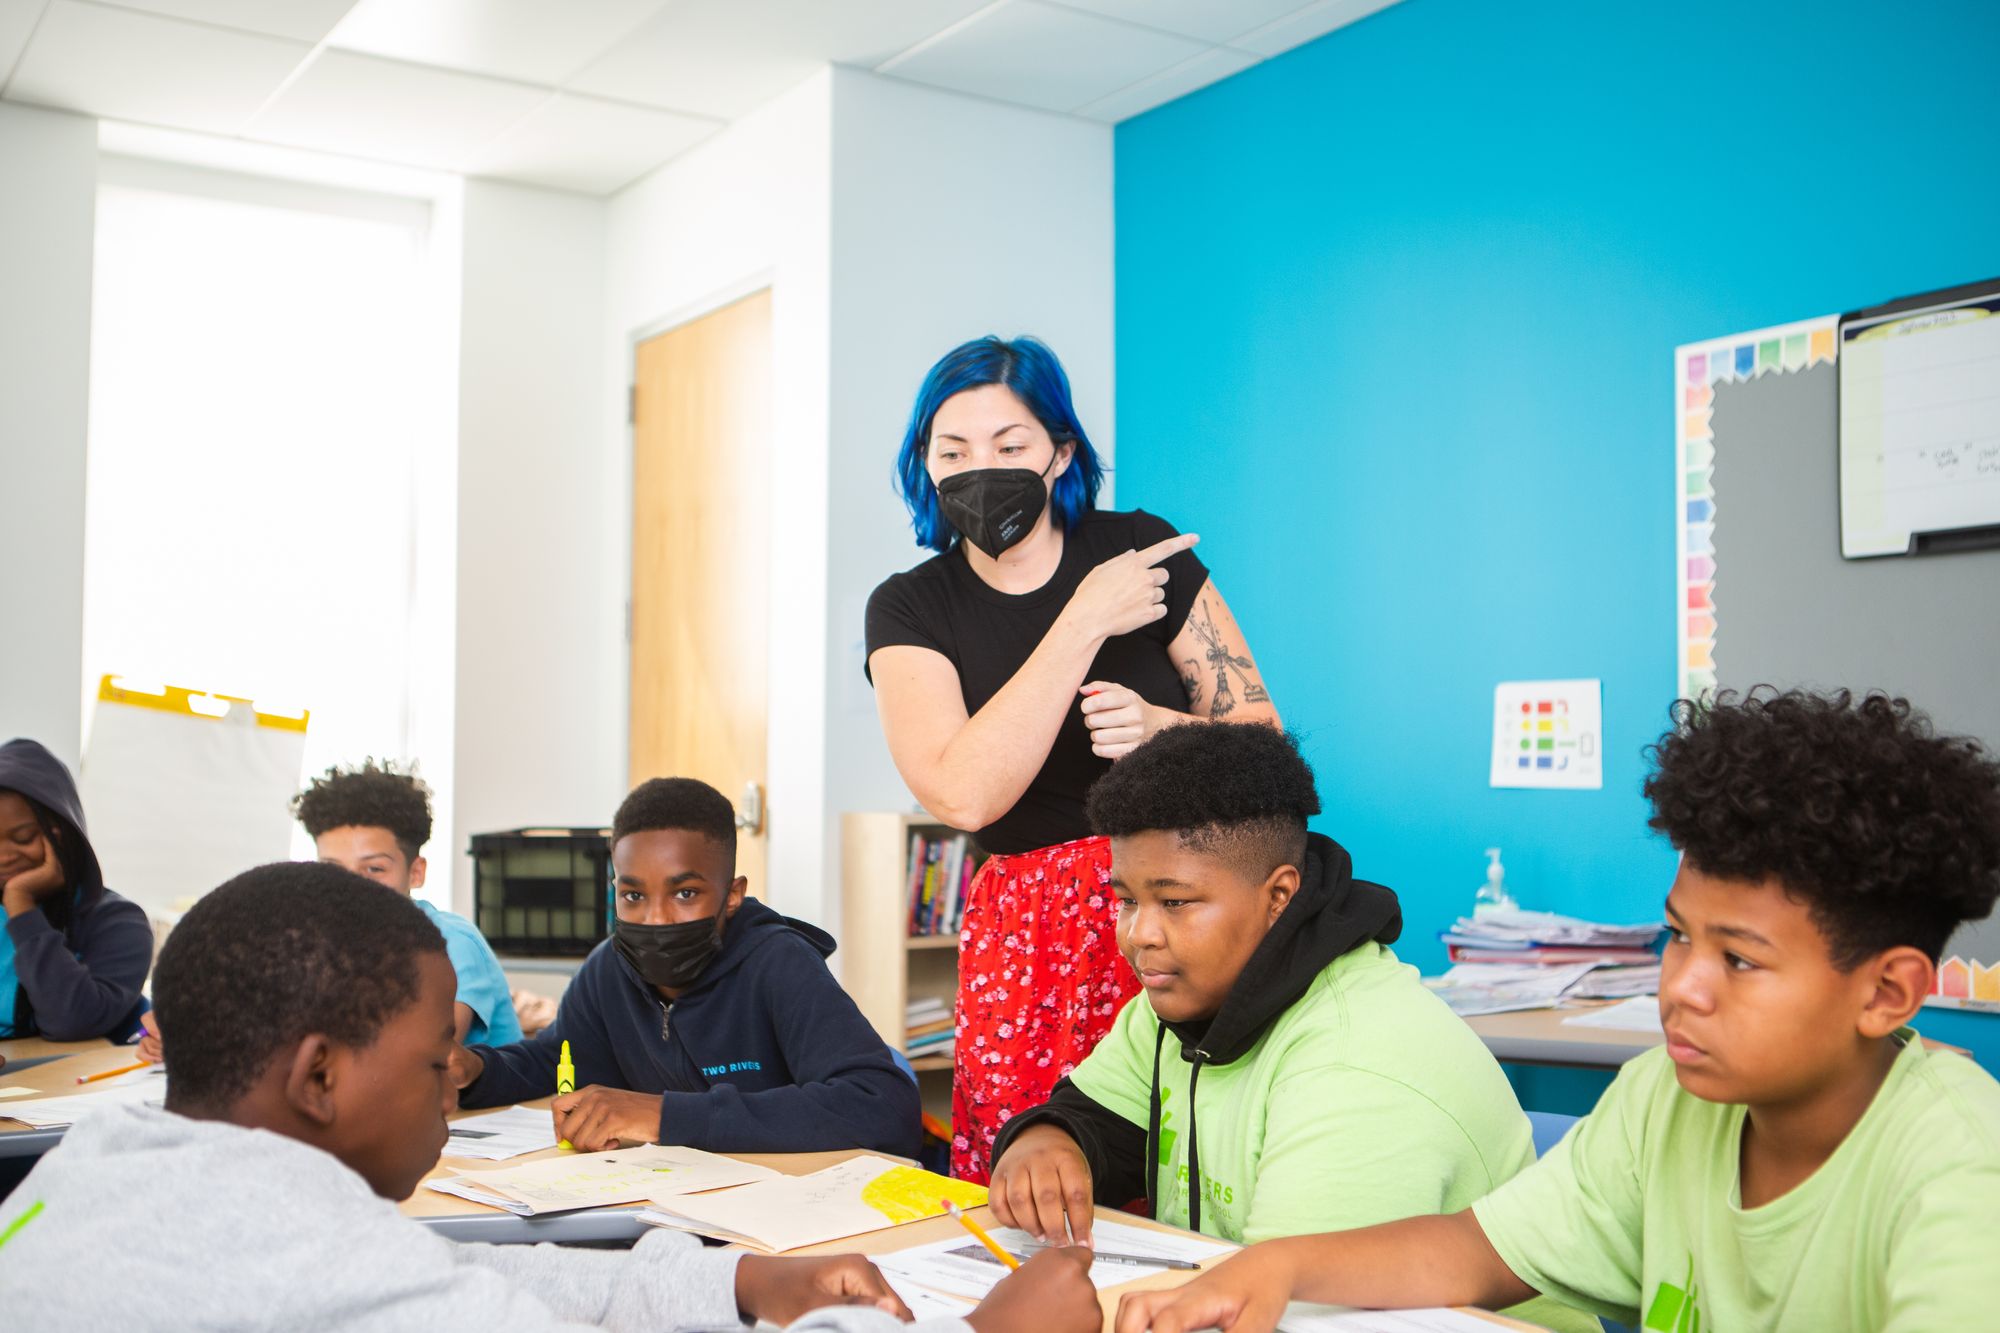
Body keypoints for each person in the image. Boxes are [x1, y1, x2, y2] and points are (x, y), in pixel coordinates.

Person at [1115, 689, 2000, 1333]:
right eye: (1679, 938)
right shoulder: (1666, 1097)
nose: (1683, 986)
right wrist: (1275, 1265)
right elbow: (1475, 1251)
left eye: (1739, 959)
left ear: (1887, 993)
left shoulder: (1955, 1171)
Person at [0, 861, 1103, 1332]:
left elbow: (467, 1270)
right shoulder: (341, 1285)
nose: (455, 1090)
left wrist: (738, 1282)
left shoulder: (94, 1170)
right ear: (320, 1076)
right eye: (440, 1060)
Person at [986, 724, 1589, 1333]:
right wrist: (1051, 1142)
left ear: (1279, 896)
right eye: (1126, 901)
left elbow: (1295, 1315)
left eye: (1174, 903)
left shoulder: (1352, 1062)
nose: (1140, 933)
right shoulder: (1180, 1001)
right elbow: (1103, 1120)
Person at [867, 335, 1280, 1180]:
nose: (980, 468)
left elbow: (1267, 747)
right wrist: (1087, 616)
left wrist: (1169, 730)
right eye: (953, 450)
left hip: (1179, 905)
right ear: (925, 463)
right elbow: (964, 794)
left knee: (1191, 1169)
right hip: (1030, 940)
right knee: (1033, 1178)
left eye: (1010, 445)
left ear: (1060, 451)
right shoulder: (910, 607)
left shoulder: (1142, 552)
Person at [454, 778, 920, 1157]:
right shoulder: (607, 970)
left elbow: (881, 1103)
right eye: (633, 896)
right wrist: (475, 1070)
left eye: (685, 894)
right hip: (668, 1208)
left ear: (732, 894)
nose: (655, 920)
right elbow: (558, 1061)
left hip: (784, 1214)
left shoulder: (778, 964)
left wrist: (664, 1116)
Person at [0, 738, 152, 1042]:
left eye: (24, 837)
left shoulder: (118, 921)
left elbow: (71, 1020)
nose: (4, 856)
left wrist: (21, 903)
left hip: (60, 1082)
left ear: (63, 835)